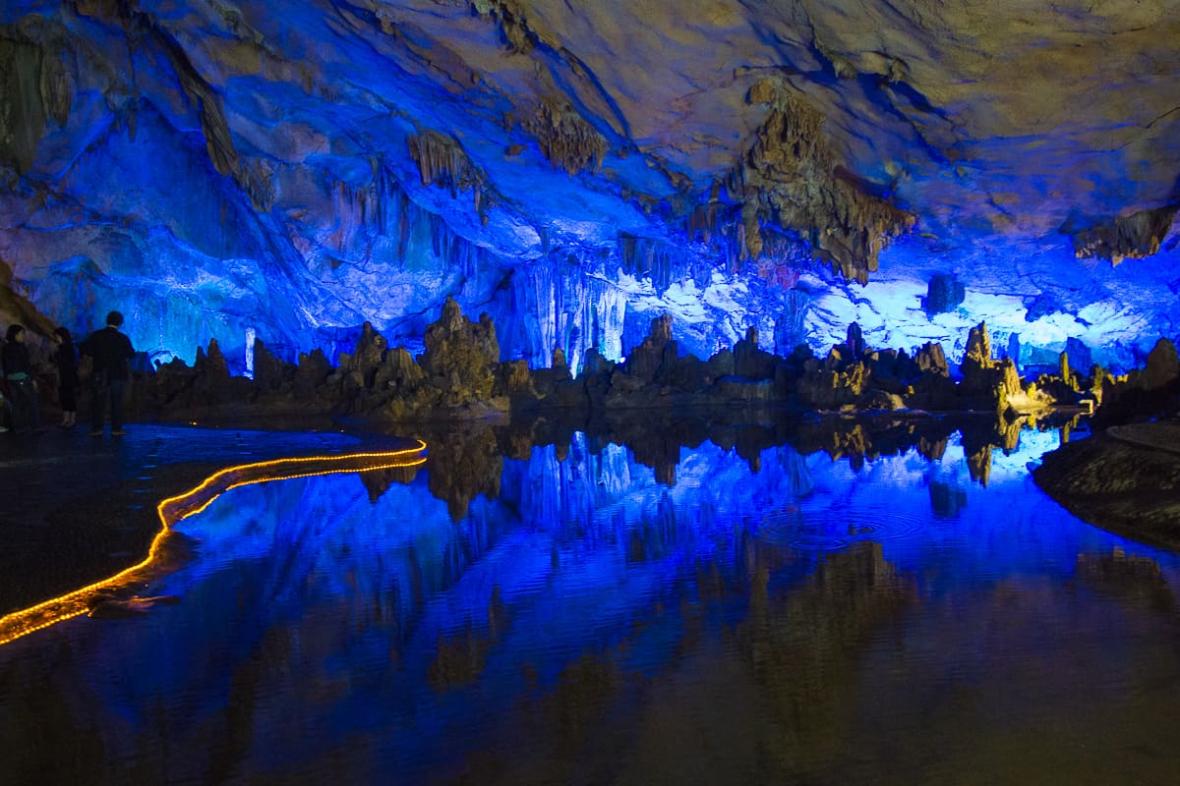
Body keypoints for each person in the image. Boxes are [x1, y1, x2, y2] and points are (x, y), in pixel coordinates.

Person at [80, 311, 135, 437]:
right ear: (120, 323)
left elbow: (85, 349)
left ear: (107, 321)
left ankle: (97, 428)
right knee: (116, 401)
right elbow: (131, 354)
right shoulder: (122, 338)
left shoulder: (96, 336)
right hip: (117, 373)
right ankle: (116, 428)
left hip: (100, 372)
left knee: (98, 401)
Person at [1, 324, 42, 433]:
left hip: (11, 379)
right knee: (33, 401)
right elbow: (26, 365)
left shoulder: (6, 347)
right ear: (15, 334)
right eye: (22, 333)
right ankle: (36, 426)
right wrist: (33, 379)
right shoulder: (21, 347)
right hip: (22, 378)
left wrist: (7, 379)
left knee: (16, 403)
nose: (24, 335)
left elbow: (5, 365)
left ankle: (18, 427)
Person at [53, 326, 79, 428]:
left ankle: (70, 419)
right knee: (64, 397)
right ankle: (66, 419)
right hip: (64, 376)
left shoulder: (67, 348)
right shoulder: (64, 347)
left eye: (57, 336)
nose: (56, 338)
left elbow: (70, 362)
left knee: (69, 398)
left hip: (67, 376)